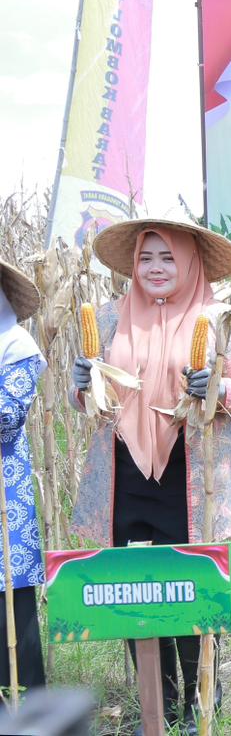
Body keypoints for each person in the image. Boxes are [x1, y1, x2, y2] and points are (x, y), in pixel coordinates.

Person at [69, 219, 231, 735]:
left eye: (167, 258)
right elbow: (89, 397)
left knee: (189, 584)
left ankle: (201, 705)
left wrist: (218, 388)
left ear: (189, 261)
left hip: (190, 473)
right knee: (136, 588)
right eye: (146, 258)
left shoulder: (218, 318)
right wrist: (81, 385)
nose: (155, 268)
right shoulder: (110, 318)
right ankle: (158, 704)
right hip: (126, 472)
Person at [0, 260, 47, 699]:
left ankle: (27, 709)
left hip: (3, 497)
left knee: (10, 610)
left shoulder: (16, 345)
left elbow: (7, 417)